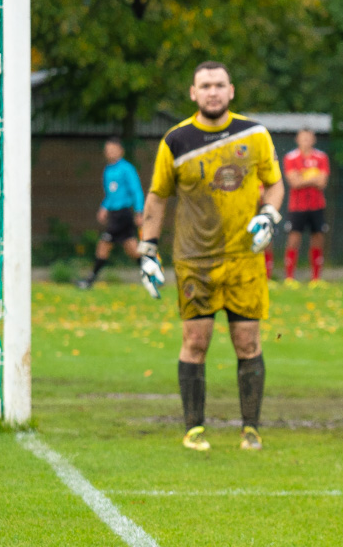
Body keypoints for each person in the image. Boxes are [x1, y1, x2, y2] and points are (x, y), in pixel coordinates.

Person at [138, 61, 285, 451]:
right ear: (193, 93)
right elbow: (156, 197)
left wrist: (269, 215)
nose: (213, 92)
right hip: (194, 260)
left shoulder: (254, 135)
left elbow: (274, 185)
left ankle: (250, 428)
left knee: (248, 342)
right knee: (195, 341)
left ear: (231, 90)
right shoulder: (176, 140)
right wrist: (147, 249)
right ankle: (193, 429)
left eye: (219, 85)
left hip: (244, 258)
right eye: (205, 86)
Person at [77, 137, 144, 289]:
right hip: (114, 214)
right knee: (132, 248)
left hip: (123, 214)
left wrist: (139, 212)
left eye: (113, 149)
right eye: (107, 150)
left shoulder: (127, 169)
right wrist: (104, 207)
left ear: (121, 151)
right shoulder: (108, 170)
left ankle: (89, 280)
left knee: (104, 244)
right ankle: (152, 275)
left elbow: (136, 191)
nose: (110, 153)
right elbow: (110, 194)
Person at [282, 128, 330, 288]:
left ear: (313, 139)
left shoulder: (321, 157)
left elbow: (322, 182)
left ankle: (316, 278)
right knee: (294, 239)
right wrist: (312, 177)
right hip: (297, 206)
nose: (306, 141)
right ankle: (289, 277)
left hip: (317, 205)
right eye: (303, 138)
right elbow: (293, 182)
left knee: (318, 239)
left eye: (309, 138)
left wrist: (303, 176)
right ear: (297, 139)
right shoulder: (290, 157)